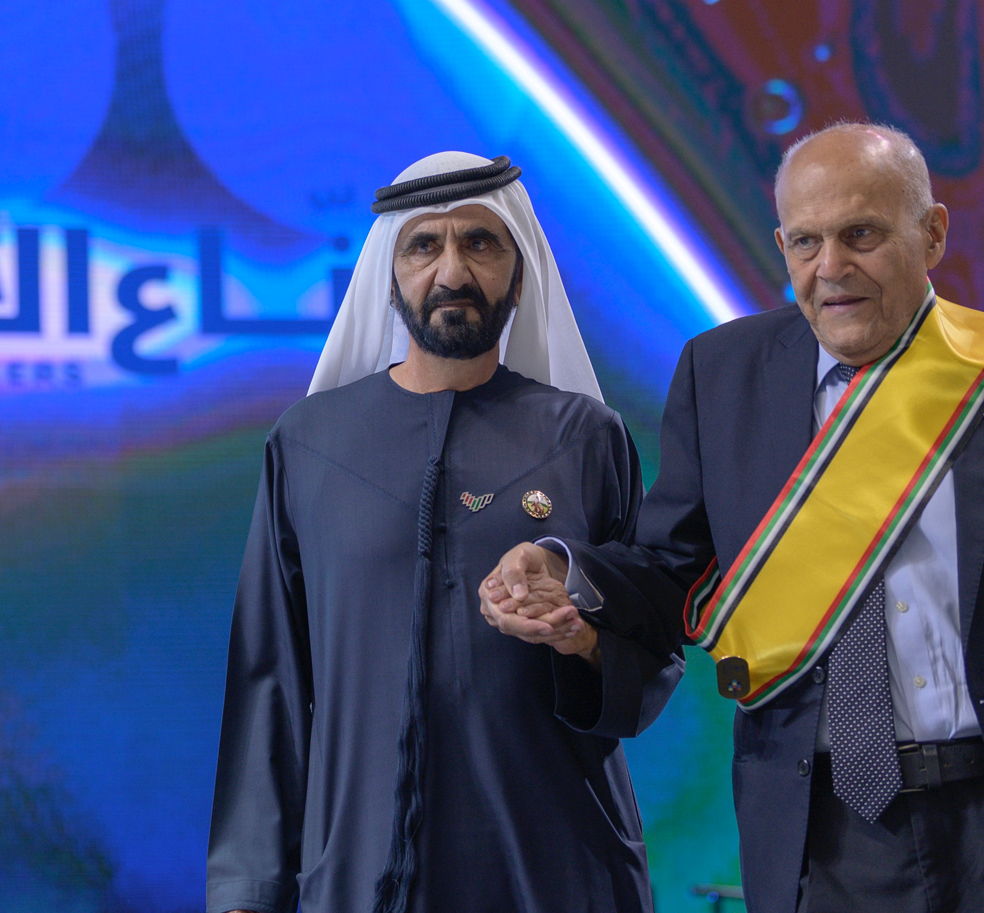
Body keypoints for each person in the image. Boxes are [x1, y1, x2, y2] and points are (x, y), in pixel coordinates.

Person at [482, 122, 984, 913]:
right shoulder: (721, 376)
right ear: (782, 247)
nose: (831, 267)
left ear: (932, 233)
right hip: (829, 838)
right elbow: (669, 574)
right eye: (806, 241)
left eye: (861, 234)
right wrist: (569, 572)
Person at [207, 152, 680, 913]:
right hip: (359, 872)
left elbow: (653, 654)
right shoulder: (309, 442)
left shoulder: (586, 437)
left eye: (481, 243)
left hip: (556, 872)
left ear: (519, 276)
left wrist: (582, 641)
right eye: (423, 245)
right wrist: (247, 892)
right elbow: (270, 680)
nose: (452, 271)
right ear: (389, 273)